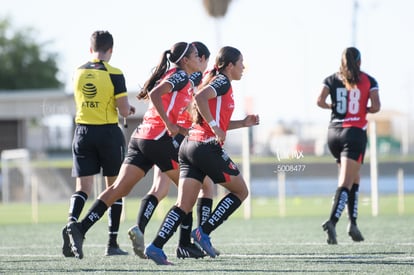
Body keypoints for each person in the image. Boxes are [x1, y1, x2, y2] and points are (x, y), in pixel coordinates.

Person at [65, 41, 201, 259]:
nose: (199, 58)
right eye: (196, 55)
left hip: (141, 138)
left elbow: (167, 103)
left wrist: (181, 127)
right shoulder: (180, 76)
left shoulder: (179, 77)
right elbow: (156, 95)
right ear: (185, 60)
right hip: (158, 139)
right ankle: (177, 245)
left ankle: (80, 228)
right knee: (189, 190)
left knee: (118, 189)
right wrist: (169, 125)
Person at [144, 46, 260, 265]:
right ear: (229, 65)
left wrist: (242, 123)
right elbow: (199, 98)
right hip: (205, 147)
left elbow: (214, 120)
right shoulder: (222, 81)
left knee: (183, 205)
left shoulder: (219, 82)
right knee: (241, 191)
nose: (244, 67)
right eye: (241, 63)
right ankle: (203, 232)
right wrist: (216, 126)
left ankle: (155, 246)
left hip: (190, 146)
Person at [127, 41, 217, 260]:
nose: (201, 63)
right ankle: (186, 242)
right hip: (173, 137)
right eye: (201, 59)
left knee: (160, 188)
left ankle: (140, 228)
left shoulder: (179, 73)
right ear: (201, 59)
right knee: (202, 187)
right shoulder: (194, 76)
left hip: (162, 135)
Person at [61, 30, 136, 257]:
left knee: (82, 188)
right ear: (111, 50)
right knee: (114, 188)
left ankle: (71, 223)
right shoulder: (114, 73)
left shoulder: (78, 71)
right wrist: (128, 110)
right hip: (107, 134)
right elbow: (123, 109)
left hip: (82, 132)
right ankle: (112, 244)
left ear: (90, 48)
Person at [316, 47, 380, 244]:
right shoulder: (368, 80)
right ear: (359, 62)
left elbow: (319, 101)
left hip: (333, 133)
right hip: (354, 133)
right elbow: (376, 107)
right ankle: (333, 221)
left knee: (353, 178)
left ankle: (353, 223)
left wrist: (331, 107)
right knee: (345, 182)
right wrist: (364, 109)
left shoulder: (332, 79)